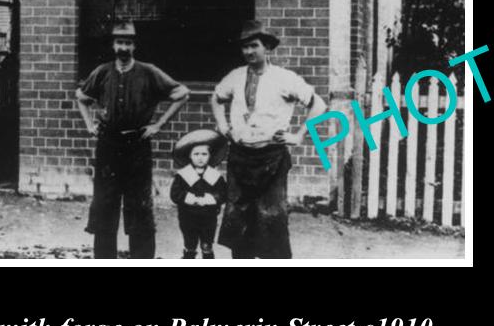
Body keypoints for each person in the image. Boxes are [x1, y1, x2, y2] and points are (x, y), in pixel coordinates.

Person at [210, 20, 328, 259]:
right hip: (240, 158)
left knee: (271, 219)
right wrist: (223, 125)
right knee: (239, 218)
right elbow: (216, 98)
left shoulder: (285, 78)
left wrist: (299, 135)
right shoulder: (235, 76)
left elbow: (319, 105)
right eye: (244, 47)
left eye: (254, 46)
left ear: (267, 48)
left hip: (271, 159)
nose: (249, 52)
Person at [75, 20, 190, 259]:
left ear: (134, 46)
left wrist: (159, 124)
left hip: (137, 145)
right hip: (108, 144)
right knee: (105, 203)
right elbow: (81, 96)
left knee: (139, 204)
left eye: (128, 43)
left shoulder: (148, 72)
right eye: (119, 42)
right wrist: (89, 124)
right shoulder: (103, 71)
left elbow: (181, 93)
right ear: (113, 45)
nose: (123, 48)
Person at [169, 129, 228, 259]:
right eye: (196, 154)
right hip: (188, 216)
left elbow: (223, 194)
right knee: (190, 243)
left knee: (207, 244)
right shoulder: (183, 175)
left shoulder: (215, 176)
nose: (200, 157)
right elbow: (175, 194)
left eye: (204, 154)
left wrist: (212, 198)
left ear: (210, 156)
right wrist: (189, 198)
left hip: (209, 217)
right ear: (189, 156)